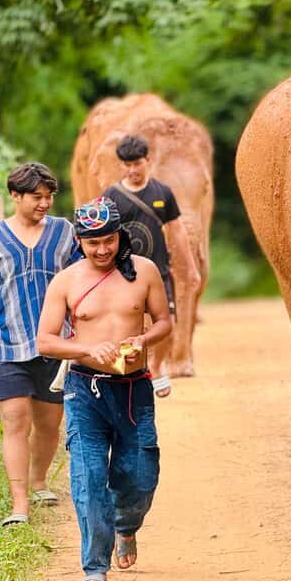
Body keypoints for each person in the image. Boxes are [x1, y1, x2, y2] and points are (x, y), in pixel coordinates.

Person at [37, 197, 171, 581]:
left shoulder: (143, 272)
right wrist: (85, 349)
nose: (101, 249)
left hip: (134, 389)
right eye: (92, 242)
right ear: (79, 240)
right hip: (85, 389)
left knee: (141, 476)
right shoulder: (66, 281)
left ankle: (126, 527)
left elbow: (164, 322)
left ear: (119, 237)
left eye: (108, 240)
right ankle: (94, 563)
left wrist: (143, 338)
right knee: (89, 476)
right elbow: (45, 340)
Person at [0, 162, 80, 526]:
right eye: (36, 197)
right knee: (15, 422)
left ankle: (39, 480)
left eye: (49, 196)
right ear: (15, 196)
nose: (45, 203)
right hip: (6, 345)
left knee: (50, 422)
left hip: (55, 345)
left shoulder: (63, 232)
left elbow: (81, 281)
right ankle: (19, 504)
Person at [100, 134, 200, 398]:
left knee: (167, 321)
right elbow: (100, 236)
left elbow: (176, 231)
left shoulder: (162, 193)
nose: (133, 170)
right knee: (126, 324)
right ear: (121, 165)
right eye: (127, 165)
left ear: (148, 161)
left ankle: (156, 366)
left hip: (157, 269)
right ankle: (131, 373)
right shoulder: (111, 197)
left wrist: (190, 267)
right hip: (122, 270)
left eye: (137, 163)